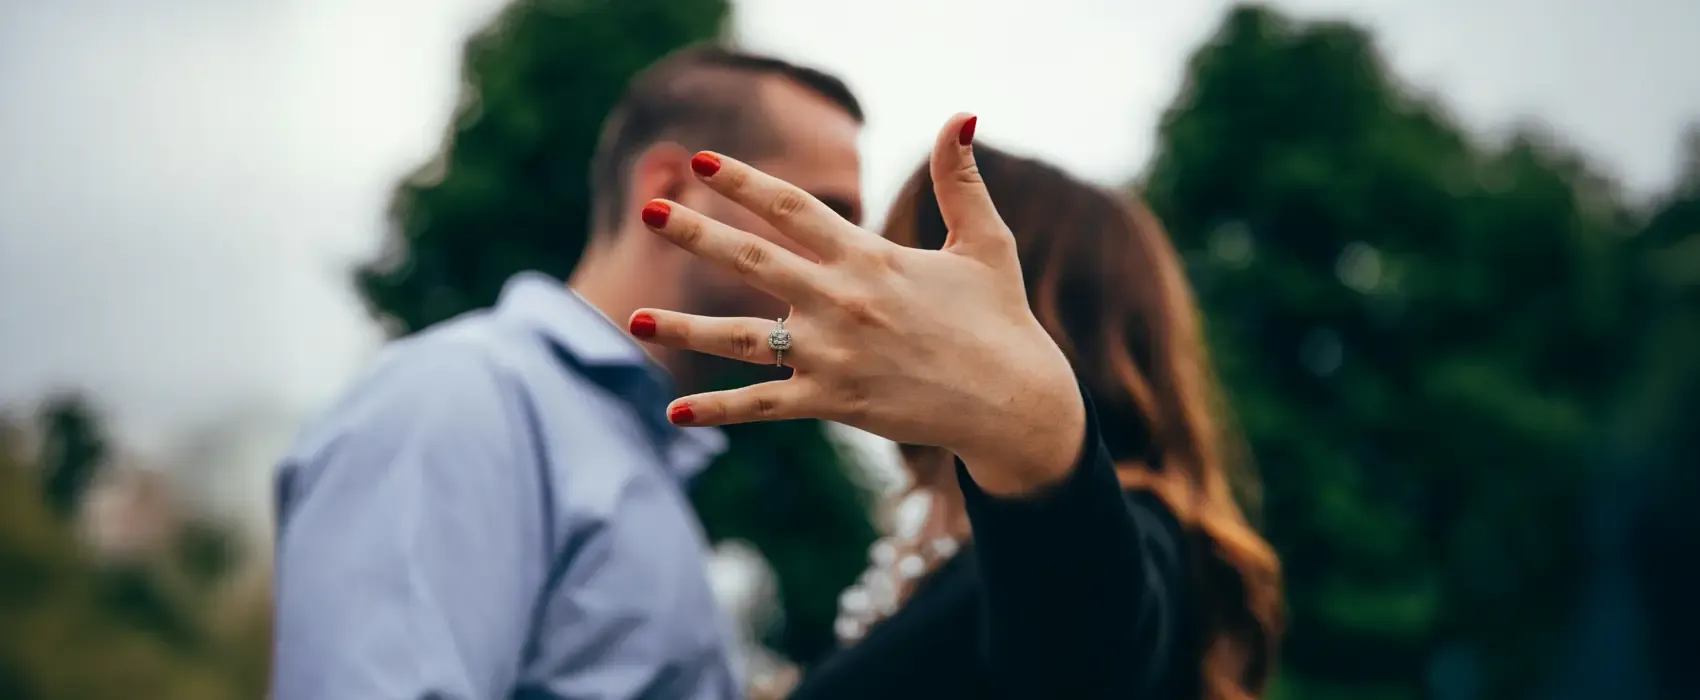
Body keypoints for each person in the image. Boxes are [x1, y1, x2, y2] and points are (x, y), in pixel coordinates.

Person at [270, 45, 865, 699]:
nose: (848, 261)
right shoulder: (458, 398)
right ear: (670, 192)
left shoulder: (629, 443)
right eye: (820, 214)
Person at [627, 117, 1283, 699]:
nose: (862, 294)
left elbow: (1079, 662)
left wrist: (1032, 427)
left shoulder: (1134, 536)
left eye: (901, 260)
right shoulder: (941, 543)